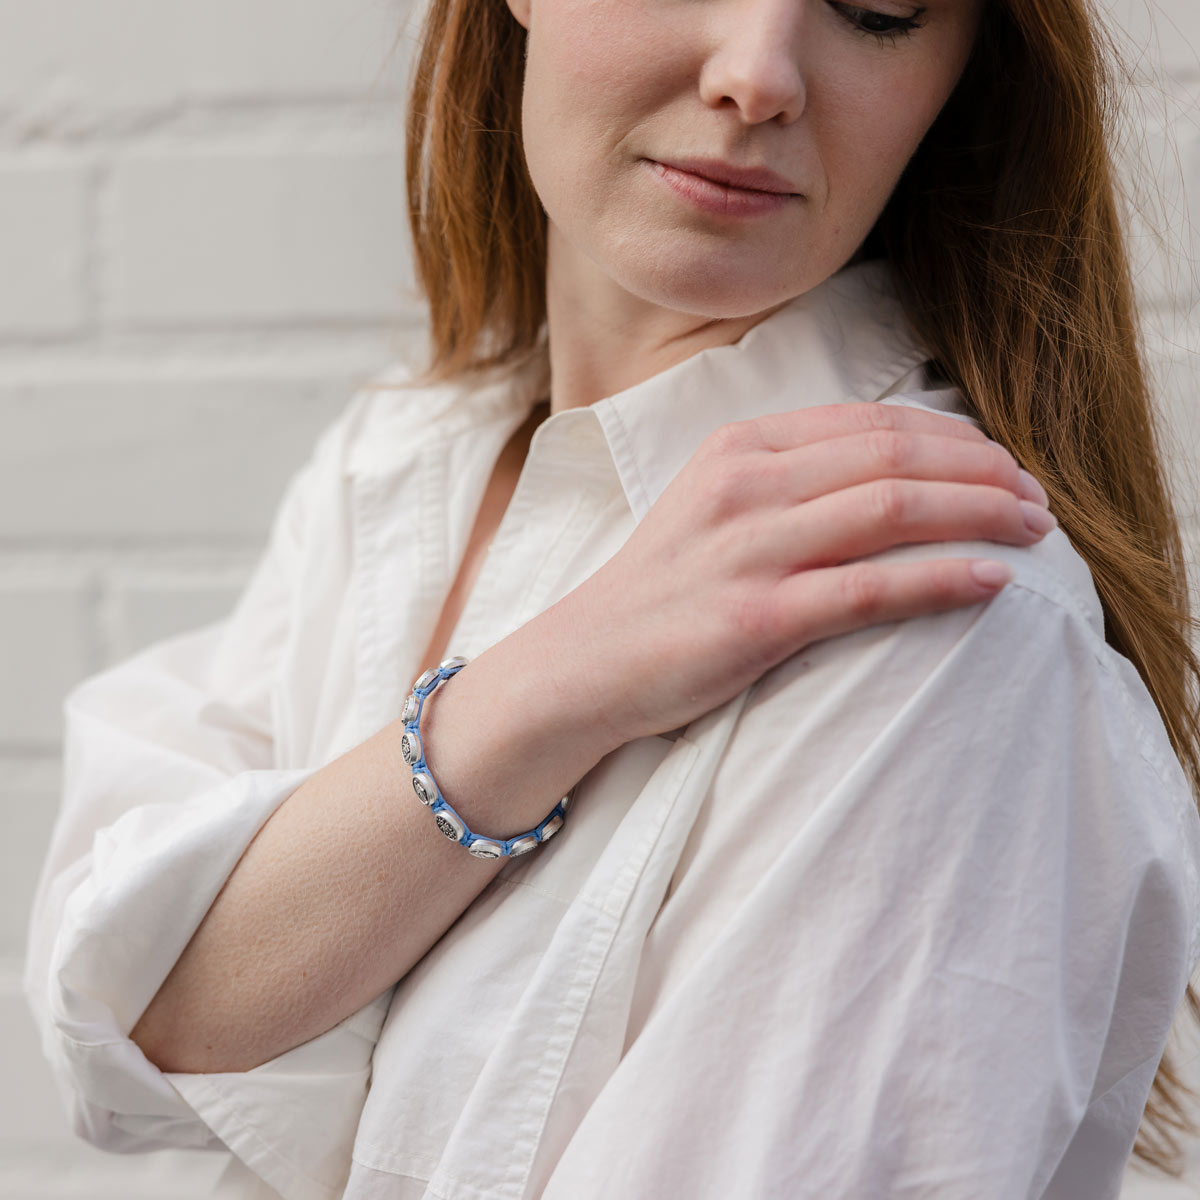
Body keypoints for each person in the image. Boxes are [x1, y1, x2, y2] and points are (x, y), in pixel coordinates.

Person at [22, 0, 1200, 1197]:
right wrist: (542, 690)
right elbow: (130, 1020)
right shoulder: (405, 460)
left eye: (878, 6)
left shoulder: (935, 614)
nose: (758, 75)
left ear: (960, 71)